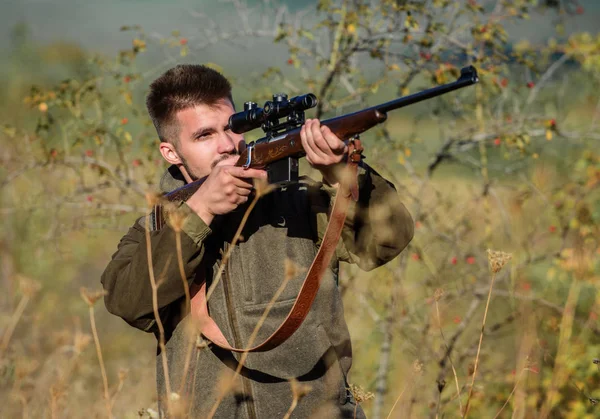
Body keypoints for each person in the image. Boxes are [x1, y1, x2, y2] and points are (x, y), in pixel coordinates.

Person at [101, 64, 414, 418]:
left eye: (232, 127)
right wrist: (199, 212)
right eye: (204, 135)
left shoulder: (300, 200)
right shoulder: (155, 227)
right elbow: (129, 302)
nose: (226, 145)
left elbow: (388, 241)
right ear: (171, 153)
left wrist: (343, 173)